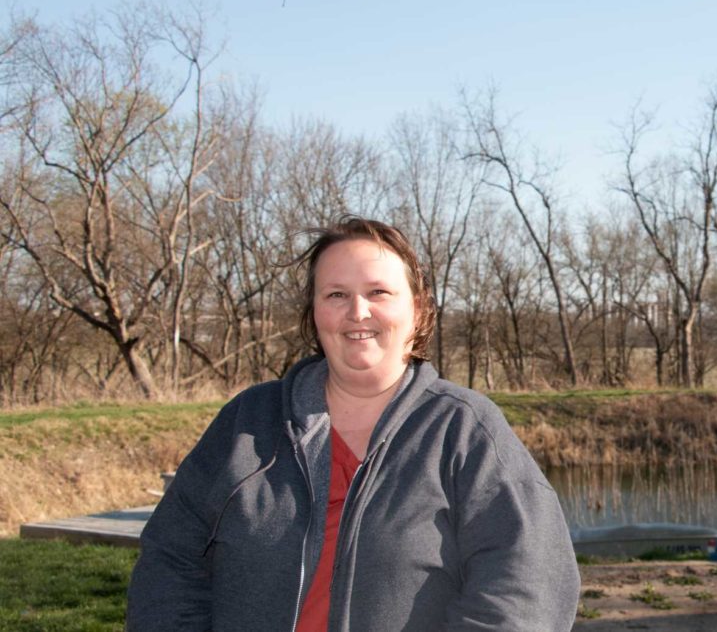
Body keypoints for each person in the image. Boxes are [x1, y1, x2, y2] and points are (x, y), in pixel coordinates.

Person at [127, 217, 580, 631]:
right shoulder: (249, 422)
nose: (357, 311)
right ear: (315, 312)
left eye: (378, 292)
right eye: (336, 294)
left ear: (417, 311)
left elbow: (526, 587)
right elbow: (169, 562)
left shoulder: (464, 430)